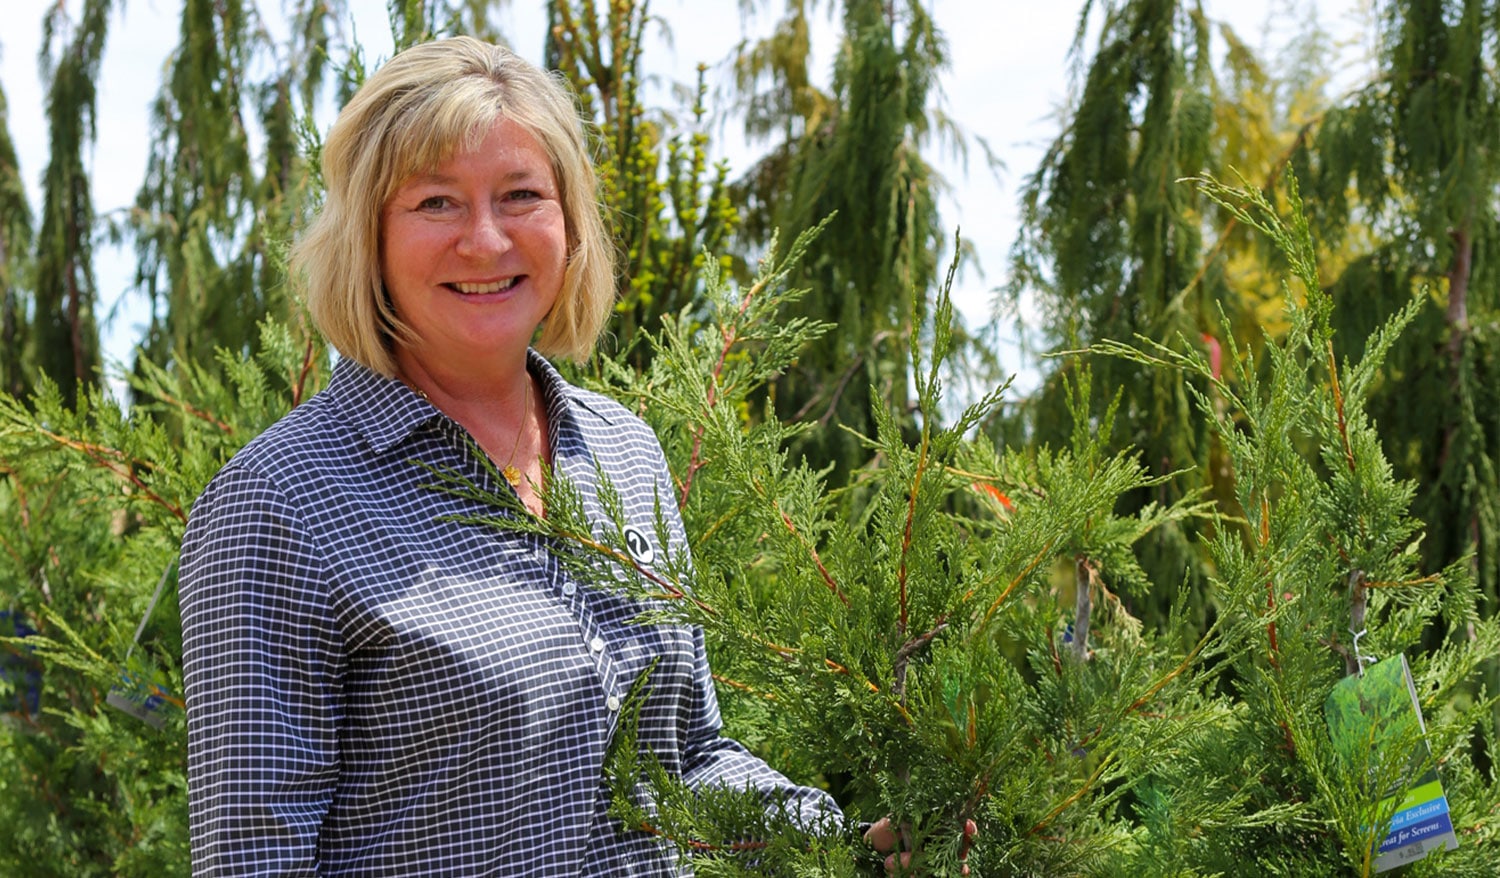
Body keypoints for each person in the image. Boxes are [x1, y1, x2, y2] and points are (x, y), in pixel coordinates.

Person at [178, 36, 843, 876]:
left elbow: (688, 760)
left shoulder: (625, 455)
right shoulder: (278, 504)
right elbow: (254, 864)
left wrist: (844, 844)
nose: (487, 241)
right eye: (436, 203)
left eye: (521, 195)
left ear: (568, 227)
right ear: (368, 240)